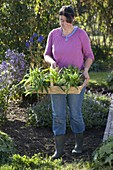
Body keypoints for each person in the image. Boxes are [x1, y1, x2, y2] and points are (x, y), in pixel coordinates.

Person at [44, 5, 94, 159]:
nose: (63, 23)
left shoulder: (81, 34)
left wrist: (85, 70)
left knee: (75, 114)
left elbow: (89, 55)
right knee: (58, 115)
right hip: (58, 80)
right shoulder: (53, 34)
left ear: (73, 20)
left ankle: (79, 145)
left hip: (76, 80)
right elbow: (46, 54)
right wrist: (51, 62)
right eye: (61, 20)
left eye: (66, 21)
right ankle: (58, 150)